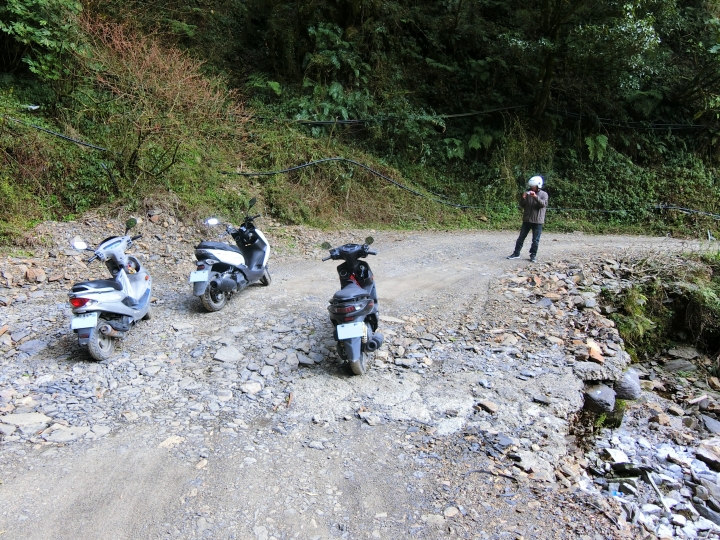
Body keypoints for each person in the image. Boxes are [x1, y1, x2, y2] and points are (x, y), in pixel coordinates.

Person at [506, 175, 548, 263]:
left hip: (537, 221)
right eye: (531, 186)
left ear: (538, 185)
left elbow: (543, 204)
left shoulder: (544, 194)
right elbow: (522, 205)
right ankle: (516, 253)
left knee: (535, 240)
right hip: (527, 220)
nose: (532, 188)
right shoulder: (528, 193)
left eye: (534, 186)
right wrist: (523, 198)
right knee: (521, 237)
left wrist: (535, 197)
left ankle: (533, 255)